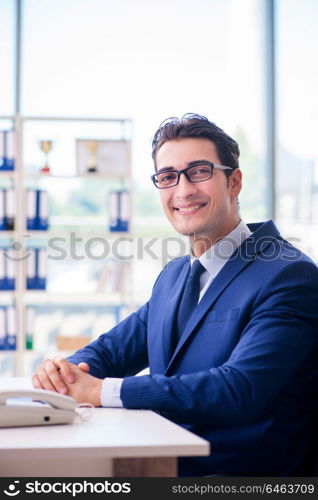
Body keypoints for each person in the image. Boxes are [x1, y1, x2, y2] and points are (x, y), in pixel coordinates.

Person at [32, 113, 318, 477]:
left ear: (235, 182)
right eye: (168, 177)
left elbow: (237, 390)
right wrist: (64, 373)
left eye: (199, 171)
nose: (183, 191)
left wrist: (100, 391)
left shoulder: (288, 274)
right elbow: (111, 350)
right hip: (163, 465)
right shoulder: (174, 276)